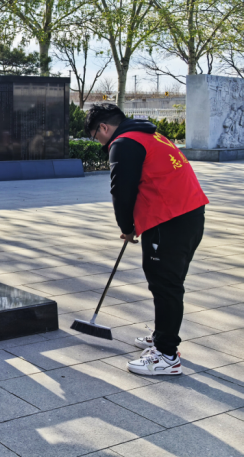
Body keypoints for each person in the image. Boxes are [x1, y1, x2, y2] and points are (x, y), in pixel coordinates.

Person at [85, 103, 208, 376]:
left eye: (96, 136)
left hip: (168, 219)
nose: (99, 142)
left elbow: (121, 191)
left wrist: (127, 227)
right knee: (168, 282)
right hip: (189, 214)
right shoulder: (151, 135)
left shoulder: (124, 143)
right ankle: (162, 335)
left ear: (103, 127)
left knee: (165, 285)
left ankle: (166, 356)